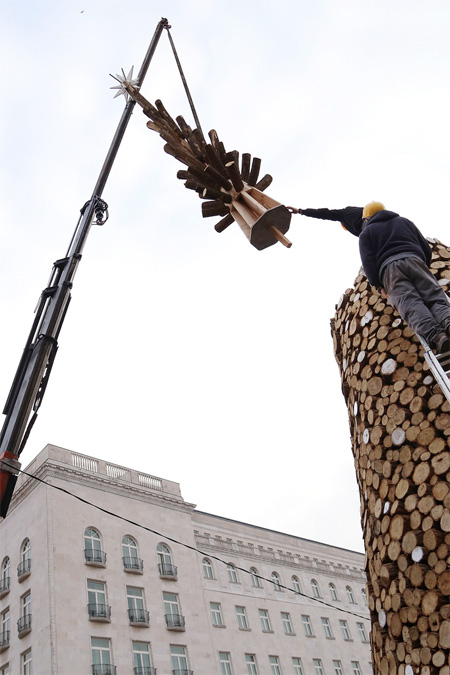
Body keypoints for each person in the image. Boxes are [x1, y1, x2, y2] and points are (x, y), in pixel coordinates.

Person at [288, 202, 450, 353]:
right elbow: (424, 246)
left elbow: (368, 262)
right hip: (415, 260)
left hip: (390, 269)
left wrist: (378, 285)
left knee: (410, 303)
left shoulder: (365, 231)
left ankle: (438, 337)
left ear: (366, 217)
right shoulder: (403, 221)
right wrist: (423, 264)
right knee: (434, 296)